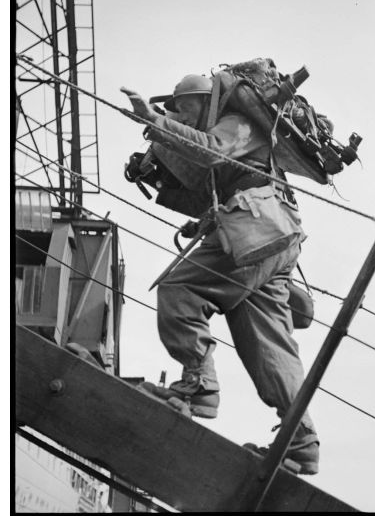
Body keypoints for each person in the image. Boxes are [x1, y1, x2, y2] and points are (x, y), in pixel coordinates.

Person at [120, 74, 319, 474]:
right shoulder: (236, 133)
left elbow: (210, 151)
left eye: (185, 107)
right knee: (269, 347)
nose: (181, 114)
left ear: (204, 100)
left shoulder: (235, 122)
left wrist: (156, 121)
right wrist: (160, 174)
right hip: (269, 236)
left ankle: (198, 386)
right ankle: (301, 446)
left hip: (259, 231)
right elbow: (216, 187)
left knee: (179, 288)